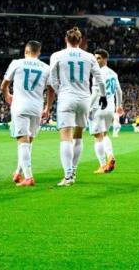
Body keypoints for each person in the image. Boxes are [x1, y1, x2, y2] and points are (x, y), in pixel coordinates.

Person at [46, 27, 107, 187]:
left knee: (65, 137)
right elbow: (99, 78)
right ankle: (73, 171)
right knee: (78, 136)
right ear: (80, 41)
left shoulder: (57, 55)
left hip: (67, 97)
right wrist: (103, 96)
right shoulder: (89, 57)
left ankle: (68, 176)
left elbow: (52, 79)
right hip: (84, 99)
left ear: (66, 40)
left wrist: (61, 92)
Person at [0, 41, 50, 186]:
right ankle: (18, 172)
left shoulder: (17, 63)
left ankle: (28, 177)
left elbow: (4, 84)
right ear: (39, 52)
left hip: (20, 106)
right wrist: (47, 107)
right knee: (29, 141)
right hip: (36, 107)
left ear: (25, 51)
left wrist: (7, 95)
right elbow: (51, 89)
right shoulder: (46, 68)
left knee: (22, 141)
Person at [89, 49, 123, 174]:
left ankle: (103, 165)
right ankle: (110, 157)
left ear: (105, 59)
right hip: (110, 108)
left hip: (99, 107)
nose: (96, 60)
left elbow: (96, 93)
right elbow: (119, 91)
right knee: (104, 134)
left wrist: (88, 107)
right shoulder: (113, 73)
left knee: (98, 137)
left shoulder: (98, 74)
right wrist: (119, 106)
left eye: (98, 58)